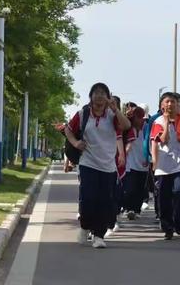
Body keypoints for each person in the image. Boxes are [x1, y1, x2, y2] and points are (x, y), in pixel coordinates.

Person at [65, 83, 131, 249]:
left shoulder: (112, 115)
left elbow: (126, 126)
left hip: (108, 165)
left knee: (104, 201)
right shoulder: (83, 114)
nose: (99, 96)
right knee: (88, 198)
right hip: (88, 162)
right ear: (90, 96)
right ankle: (85, 226)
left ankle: (98, 235)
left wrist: (116, 110)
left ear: (108, 97)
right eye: (96, 93)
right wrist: (75, 142)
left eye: (103, 93)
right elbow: (68, 129)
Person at [150, 92, 180, 240]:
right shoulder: (158, 122)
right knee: (164, 198)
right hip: (163, 166)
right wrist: (166, 122)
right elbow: (163, 140)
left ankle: (179, 221)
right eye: (167, 102)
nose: (170, 105)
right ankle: (167, 227)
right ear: (161, 106)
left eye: (173, 102)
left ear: (178, 105)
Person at [123, 106, 149, 219]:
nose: (139, 120)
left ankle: (136, 210)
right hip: (130, 163)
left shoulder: (147, 128)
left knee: (140, 189)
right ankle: (129, 209)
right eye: (136, 117)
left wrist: (149, 158)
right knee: (130, 188)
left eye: (141, 118)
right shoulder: (129, 128)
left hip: (144, 164)